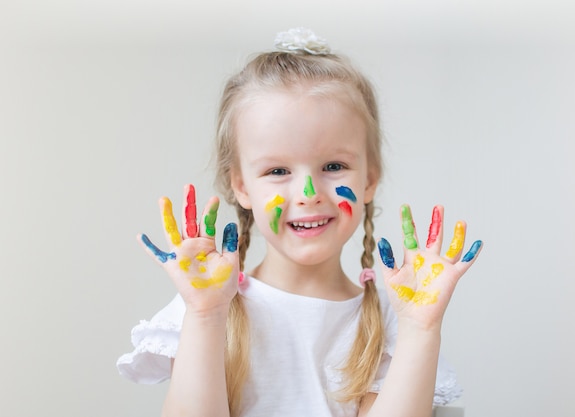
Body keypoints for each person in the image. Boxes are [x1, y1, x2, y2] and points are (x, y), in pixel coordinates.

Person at [117, 27, 482, 417]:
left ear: (369, 178)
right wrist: (205, 316)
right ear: (240, 186)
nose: (308, 192)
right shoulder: (207, 304)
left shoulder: (391, 320)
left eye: (333, 166)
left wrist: (421, 330)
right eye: (277, 170)